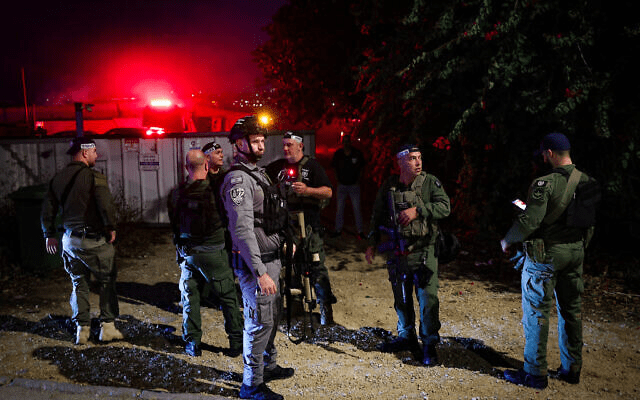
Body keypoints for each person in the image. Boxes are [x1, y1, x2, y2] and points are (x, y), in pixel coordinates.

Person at [500, 133, 594, 389]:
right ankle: (572, 369)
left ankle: (535, 373)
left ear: (550, 153)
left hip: (547, 255)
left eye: (544, 154)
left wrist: (508, 239)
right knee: (571, 311)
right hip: (575, 252)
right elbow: (589, 225)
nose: (543, 158)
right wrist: (578, 248)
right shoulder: (587, 181)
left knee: (537, 313)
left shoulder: (545, 183)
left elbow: (530, 221)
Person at [221, 116, 294, 400]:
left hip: (270, 258)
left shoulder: (257, 173)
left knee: (271, 317)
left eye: (263, 140)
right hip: (257, 265)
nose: (261, 145)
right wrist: (260, 272)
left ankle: (268, 366)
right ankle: (251, 384)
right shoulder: (238, 180)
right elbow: (242, 230)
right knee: (259, 322)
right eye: (255, 141)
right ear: (239, 143)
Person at [366, 144, 450, 366]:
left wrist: (418, 211)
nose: (418, 162)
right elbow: (377, 214)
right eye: (412, 158)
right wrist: (371, 243)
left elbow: (445, 207)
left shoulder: (429, 182)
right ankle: (406, 336)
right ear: (400, 162)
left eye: (419, 157)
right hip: (398, 251)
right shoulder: (390, 186)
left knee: (428, 300)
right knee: (401, 298)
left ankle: (429, 345)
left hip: (423, 251)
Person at [41, 137, 124, 345]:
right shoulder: (95, 177)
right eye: (94, 151)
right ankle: (107, 327)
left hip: (70, 241)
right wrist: (111, 227)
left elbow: (48, 209)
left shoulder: (58, 178)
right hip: (93, 240)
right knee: (106, 281)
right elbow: (105, 205)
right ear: (85, 152)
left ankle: (82, 329)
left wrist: (49, 234)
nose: (97, 155)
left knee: (79, 282)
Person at [167, 149, 243, 358]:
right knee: (228, 297)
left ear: (186, 168)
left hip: (188, 254)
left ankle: (192, 343)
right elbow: (230, 219)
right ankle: (236, 343)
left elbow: (174, 224)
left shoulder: (176, 193)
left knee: (190, 298)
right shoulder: (217, 191)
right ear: (207, 166)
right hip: (214, 253)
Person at [266, 132, 337, 326]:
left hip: (310, 226)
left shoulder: (312, 166)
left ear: (300, 146)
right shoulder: (278, 167)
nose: (285, 148)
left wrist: (307, 190)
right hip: (287, 225)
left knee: (316, 265)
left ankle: (325, 309)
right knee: (290, 265)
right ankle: (295, 306)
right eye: (284, 145)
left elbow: (328, 191)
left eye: (289, 144)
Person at [330, 134, 366, 239]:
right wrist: (337, 179)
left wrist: (358, 180)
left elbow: (362, 167)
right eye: (345, 141)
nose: (346, 144)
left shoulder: (357, 153)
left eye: (348, 141)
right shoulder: (339, 154)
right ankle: (338, 230)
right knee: (339, 209)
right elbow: (334, 167)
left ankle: (360, 231)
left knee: (357, 208)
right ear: (343, 143)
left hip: (354, 186)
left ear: (350, 142)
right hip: (342, 185)